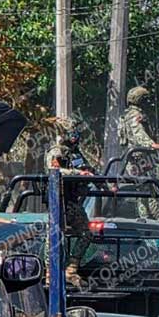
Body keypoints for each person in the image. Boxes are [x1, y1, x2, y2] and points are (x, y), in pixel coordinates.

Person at [46, 118, 95, 287]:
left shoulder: (75, 153)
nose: (75, 136)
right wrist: (76, 173)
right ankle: (49, 273)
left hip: (73, 201)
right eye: (71, 132)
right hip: (59, 199)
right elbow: (54, 170)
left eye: (76, 132)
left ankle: (71, 269)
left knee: (86, 234)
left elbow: (89, 170)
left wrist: (107, 185)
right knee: (54, 236)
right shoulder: (56, 151)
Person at [117, 85, 159, 220]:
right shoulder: (134, 115)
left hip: (133, 159)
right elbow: (138, 133)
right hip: (140, 158)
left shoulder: (125, 115)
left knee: (142, 192)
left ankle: (145, 220)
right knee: (151, 191)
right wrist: (151, 144)